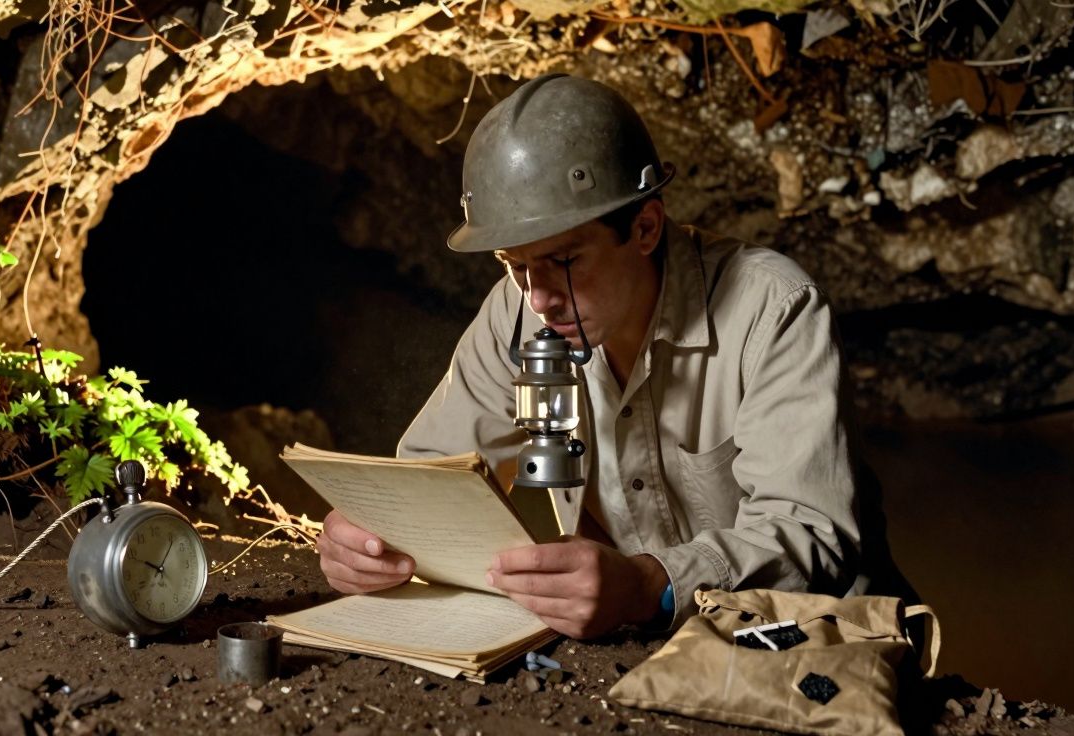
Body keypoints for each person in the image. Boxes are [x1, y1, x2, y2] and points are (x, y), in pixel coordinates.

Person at [316, 74, 910, 639]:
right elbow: (429, 484)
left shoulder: (773, 310)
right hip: (647, 641)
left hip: (824, 642)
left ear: (645, 227)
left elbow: (812, 536)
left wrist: (649, 584)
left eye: (565, 261)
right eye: (516, 266)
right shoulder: (516, 313)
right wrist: (374, 534)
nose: (539, 299)